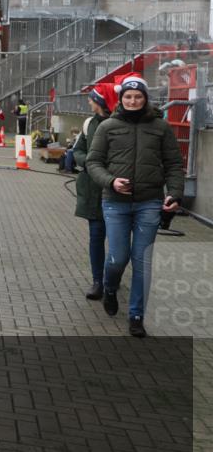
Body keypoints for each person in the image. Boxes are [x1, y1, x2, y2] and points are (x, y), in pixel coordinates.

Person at [86, 73, 185, 338]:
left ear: (145, 98)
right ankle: (109, 287)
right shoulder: (108, 126)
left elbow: (174, 164)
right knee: (118, 258)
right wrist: (111, 181)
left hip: (149, 203)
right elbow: (93, 162)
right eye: (128, 96)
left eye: (138, 96)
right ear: (121, 99)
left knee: (142, 261)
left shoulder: (161, 127)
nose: (132, 101)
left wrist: (175, 194)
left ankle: (136, 315)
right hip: (115, 203)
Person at [73, 83, 118, 300]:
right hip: (92, 190)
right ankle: (98, 281)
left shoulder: (118, 124)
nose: (89, 101)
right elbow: (78, 150)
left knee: (118, 241)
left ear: (99, 101)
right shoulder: (88, 124)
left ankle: (113, 278)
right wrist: (89, 163)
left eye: (92, 98)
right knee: (96, 236)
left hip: (116, 190)